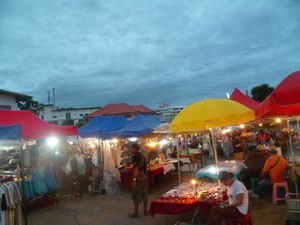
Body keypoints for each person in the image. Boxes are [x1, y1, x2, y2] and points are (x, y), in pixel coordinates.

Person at [129, 143, 148, 218]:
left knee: (135, 194)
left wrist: (134, 179)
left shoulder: (135, 156)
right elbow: (145, 167)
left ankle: (136, 213)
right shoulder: (142, 156)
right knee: (145, 194)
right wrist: (145, 176)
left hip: (138, 177)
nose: (130, 150)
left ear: (134, 148)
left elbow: (136, 168)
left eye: (131, 148)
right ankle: (146, 211)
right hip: (144, 177)